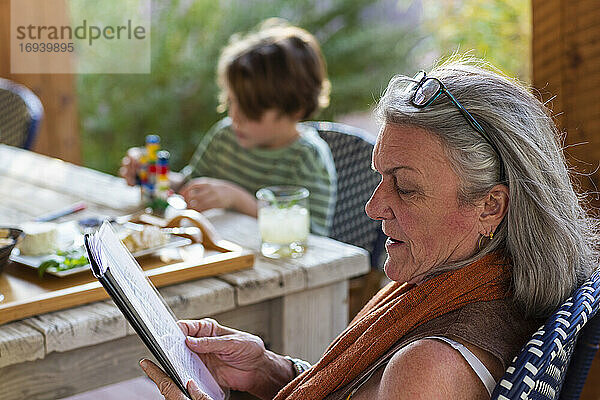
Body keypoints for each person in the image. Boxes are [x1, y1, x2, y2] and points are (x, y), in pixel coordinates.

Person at [140, 58, 599, 399]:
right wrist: (268, 371)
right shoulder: (472, 280)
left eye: (405, 187)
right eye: (381, 177)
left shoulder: (429, 369)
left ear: (490, 206)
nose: (374, 206)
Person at [120, 19, 336, 236]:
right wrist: (152, 174)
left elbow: (311, 236)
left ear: (295, 109)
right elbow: (189, 185)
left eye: (251, 110)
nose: (234, 117)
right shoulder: (225, 137)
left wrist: (238, 199)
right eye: (231, 102)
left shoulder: (307, 157)